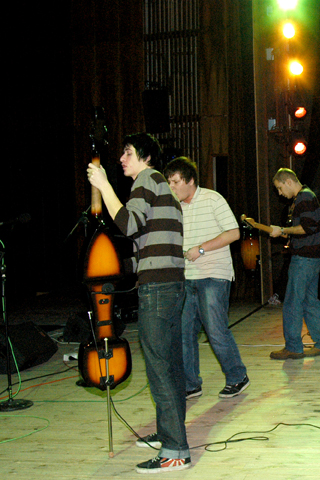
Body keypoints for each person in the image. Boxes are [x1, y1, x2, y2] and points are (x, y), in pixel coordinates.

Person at [87, 133, 191, 473]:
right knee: (171, 366)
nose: (121, 159)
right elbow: (147, 247)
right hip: (172, 285)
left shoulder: (146, 179)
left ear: (145, 156)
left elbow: (128, 224)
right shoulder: (164, 189)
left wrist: (104, 186)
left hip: (158, 289)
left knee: (159, 368)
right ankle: (168, 434)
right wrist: (115, 271)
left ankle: (176, 450)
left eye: (128, 152)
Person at [164, 157, 249, 399]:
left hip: (214, 275)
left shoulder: (213, 199)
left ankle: (237, 377)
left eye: (176, 182)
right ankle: (191, 384)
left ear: (190, 180)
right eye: (169, 182)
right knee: (184, 333)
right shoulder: (175, 208)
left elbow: (234, 232)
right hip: (187, 277)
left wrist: (201, 249)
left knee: (215, 330)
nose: (171, 187)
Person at [267, 168, 320, 359]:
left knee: (292, 303)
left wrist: (282, 230)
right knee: (309, 302)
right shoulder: (306, 196)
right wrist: (286, 233)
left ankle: (293, 347)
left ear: (288, 182)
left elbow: (306, 228)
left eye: (280, 188)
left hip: (305, 259)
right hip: (313, 257)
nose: (280, 193)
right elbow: (308, 228)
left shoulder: (304, 197)